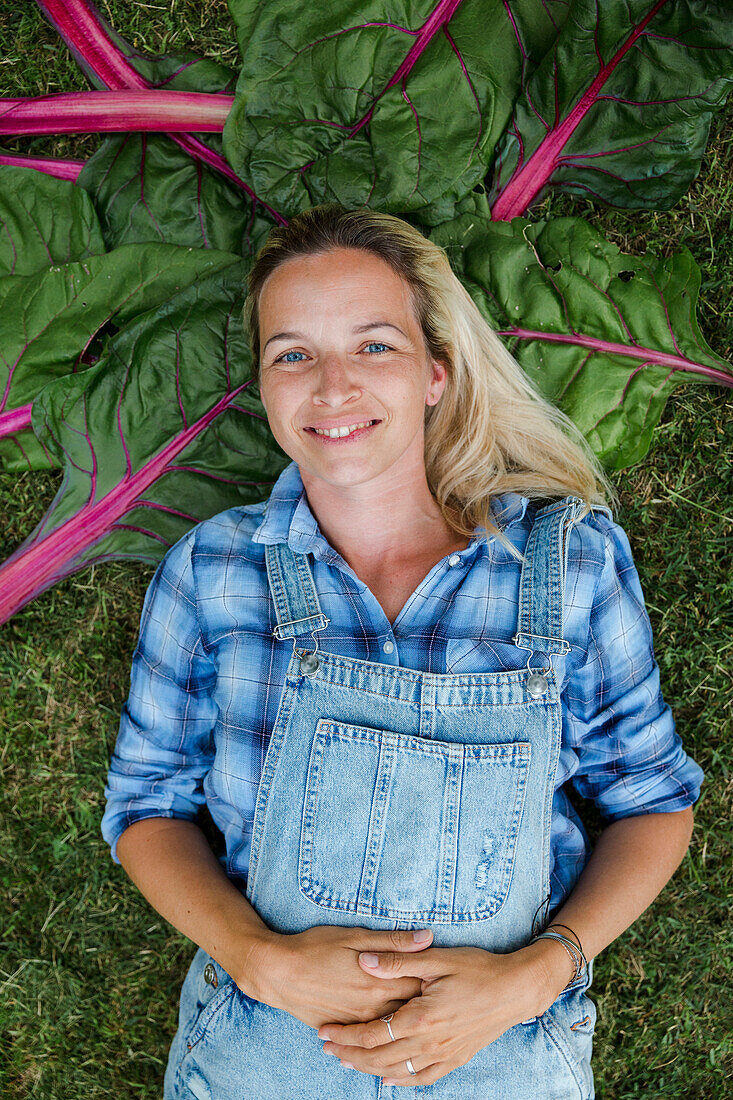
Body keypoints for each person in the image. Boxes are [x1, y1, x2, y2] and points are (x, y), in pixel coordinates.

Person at [101, 204, 704, 1099]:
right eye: (292, 354)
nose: (332, 386)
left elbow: (652, 803)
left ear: (435, 373)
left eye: (373, 346)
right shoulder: (215, 569)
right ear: (263, 388)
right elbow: (144, 807)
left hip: (501, 1056)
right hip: (264, 1055)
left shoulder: (566, 561)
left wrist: (537, 973)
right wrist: (257, 958)